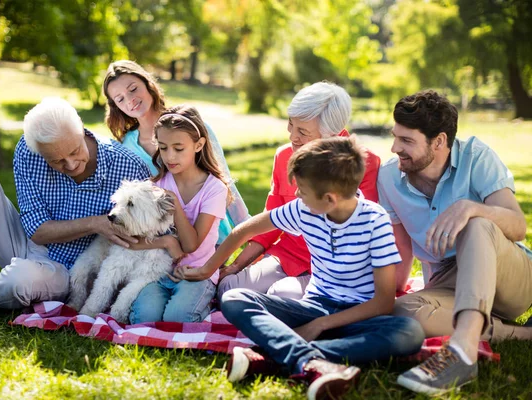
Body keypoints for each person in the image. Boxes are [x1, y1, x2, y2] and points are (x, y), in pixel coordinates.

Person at [173, 136, 425, 400]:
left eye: (302, 190)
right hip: (311, 307)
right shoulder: (303, 209)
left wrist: (321, 324)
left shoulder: (375, 221)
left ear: (329, 199)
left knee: (409, 333)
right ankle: (311, 360)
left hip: (357, 317)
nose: (296, 195)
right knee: (234, 298)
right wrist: (207, 269)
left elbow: (384, 302)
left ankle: (273, 358)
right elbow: (243, 231)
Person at [377, 90, 532, 395]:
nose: (396, 148)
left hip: (510, 276)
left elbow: (518, 227)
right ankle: (523, 336)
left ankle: (462, 350)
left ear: (439, 142)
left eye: (407, 141)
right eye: (395, 137)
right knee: (400, 312)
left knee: (477, 226)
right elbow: (401, 251)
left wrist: (472, 208)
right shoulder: (388, 178)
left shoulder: (477, 157)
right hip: (451, 282)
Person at [0, 97, 151, 309]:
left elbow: (146, 231)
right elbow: (36, 230)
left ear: (82, 129)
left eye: (75, 151)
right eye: (57, 160)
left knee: (18, 281)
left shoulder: (129, 166)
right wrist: (94, 223)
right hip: (27, 243)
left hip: (68, 270)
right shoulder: (29, 150)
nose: (72, 164)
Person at [217, 82, 381, 301]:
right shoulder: (284, 156)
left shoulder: (363, 164)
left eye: (302, 131)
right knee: (228, 288)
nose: (292, 136)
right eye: (291, 124)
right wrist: (235, 266)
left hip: (329, 268)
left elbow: (356, 234)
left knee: (281, 295)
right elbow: (269, 224)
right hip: (287, 255)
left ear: (332, 134)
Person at [102, 60, 249, 245]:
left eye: (133, 89)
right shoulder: (126, 146)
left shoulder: (190, 126)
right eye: (120, 98)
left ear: (148, 85)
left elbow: (224, 181)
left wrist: (248, 233)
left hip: (211, 236)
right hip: (165, 242)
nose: (129, 99)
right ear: (115, 105)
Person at [129, 105, 229, 323]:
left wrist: (173, 203)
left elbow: (191, 245)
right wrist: (165, 242)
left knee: (177, 318)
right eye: (163, 148)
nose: (169, 156)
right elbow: (131, 240)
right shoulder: (156, 186)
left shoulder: (214, 189)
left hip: (196, 274)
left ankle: (203, 306)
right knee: (145, 317)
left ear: (198, 145)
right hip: (156, 272)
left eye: (178, 148)